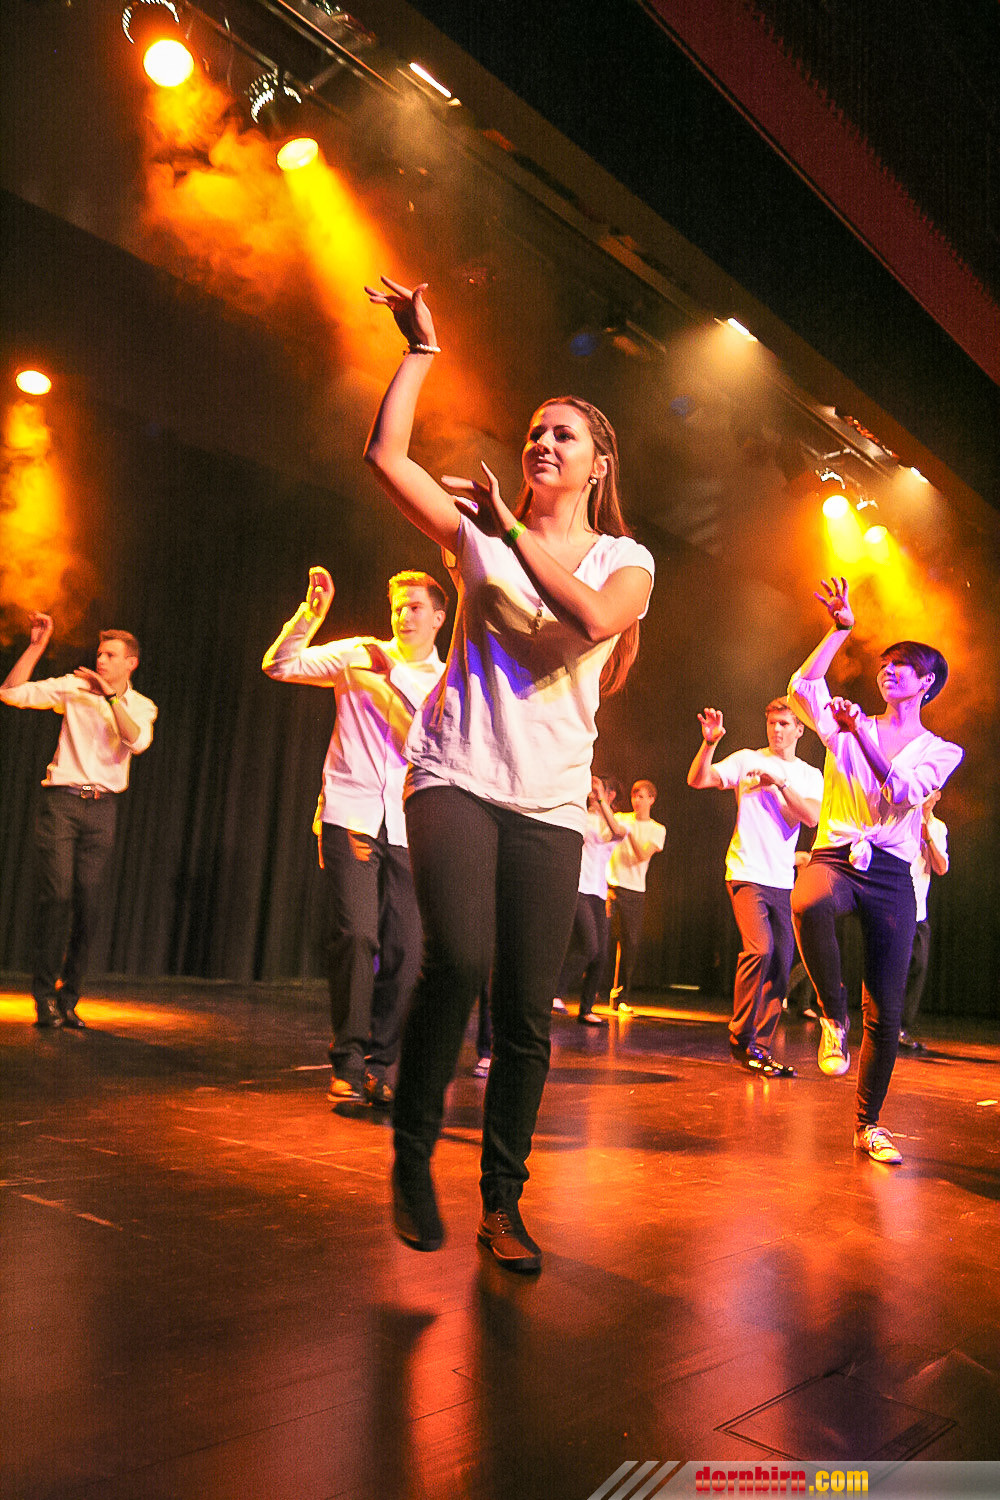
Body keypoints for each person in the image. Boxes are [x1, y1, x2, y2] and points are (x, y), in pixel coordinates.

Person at [362, 274, 654, 1271]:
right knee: (457, 958)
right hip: (454, 771)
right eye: (534, 430)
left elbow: (595, 619)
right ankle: (411, 1153)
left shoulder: (625, 557)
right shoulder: (475, 532)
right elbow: (384, 457)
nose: (542, 442)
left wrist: (514, 529)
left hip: (551, 800)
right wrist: (420, 352)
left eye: (563, 434)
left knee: (526, 1012)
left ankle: (502, 1204)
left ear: (598, 463)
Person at [788, 577, 962, 1163]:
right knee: (808, 902)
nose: (888, 671)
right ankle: (831, 1015)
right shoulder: (847, 720)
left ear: (926, 683)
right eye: (885, 664)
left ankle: (869, 1124)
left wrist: (858, 734)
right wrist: (839, 631)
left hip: (891, 875)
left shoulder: (941, 750)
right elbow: (801, 687)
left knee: (885, 1010)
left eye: (902, 666)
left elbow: (903, 791)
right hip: (837, 854)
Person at [263, 566, 446, 1105]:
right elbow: (280, 665)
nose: (404, 615)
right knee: (358, 935)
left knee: (407, 951)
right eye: (398, 606)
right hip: (351, 814)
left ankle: (379, 1064)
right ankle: (346, 1062)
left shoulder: (448, 680)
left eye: (416, 607)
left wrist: (395, 685)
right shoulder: (358, 653)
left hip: (412, 824)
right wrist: (310, 616)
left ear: (439, 617)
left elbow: (436, 749)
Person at [1, 613, 157, 1028]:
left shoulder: (141, 706)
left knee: (89, 904)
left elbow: (137, 741)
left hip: (102, 810)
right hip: (63, 804)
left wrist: (110, 698)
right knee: (57, 897)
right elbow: (10, 692)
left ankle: (69, 998)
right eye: (100, 653)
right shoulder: (74, 688)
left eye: (110, 655)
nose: (100, 660)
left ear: (131, 663)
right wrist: (36, 647)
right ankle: (43, 998)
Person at [686, 698, 823, 1075]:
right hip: (745, 871)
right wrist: (710, 743)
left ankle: (759, 1048)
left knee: (781, 962)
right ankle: (740, 1034)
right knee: (760, 949)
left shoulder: (809, 775)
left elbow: (810, 816)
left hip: (781, 880)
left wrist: (779, 783)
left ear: (800, 729)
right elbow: (698, 779)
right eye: (772, 723)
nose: (776, 730)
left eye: (784, 724)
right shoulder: (747, 759)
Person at [554, 774, 623, 1025]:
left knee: (601, 954)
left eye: (600, 790)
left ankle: (586, 1009)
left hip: (599, 892)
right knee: (589, 945)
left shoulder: (613, 821)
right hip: (579, 889)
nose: (594, 793)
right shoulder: (580, 816)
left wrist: (601, 800)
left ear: (609, 794)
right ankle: (555, 992)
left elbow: (619, 833)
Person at [605, 780, 665, 1013]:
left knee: (630, 944)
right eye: (634, 796)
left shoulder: (657, 829)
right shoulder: (620, 819)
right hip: (611, 887)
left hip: (635, 891)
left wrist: (627, 834)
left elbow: (641, 855)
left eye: (641, 796)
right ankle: (585, 992)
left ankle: (620, 997)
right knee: (598, 938)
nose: (636, 801)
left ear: (651, 799)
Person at [899, 791, 949, 1050]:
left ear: (937, 795)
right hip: (897, 906)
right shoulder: (902, 819)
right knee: (892, 968)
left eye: (931, 791)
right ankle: (882, 1026)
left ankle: (901, 1028)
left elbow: (941, 867)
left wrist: (927, 837)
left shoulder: (938, 828)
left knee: (917, 967)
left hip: (919, 911)